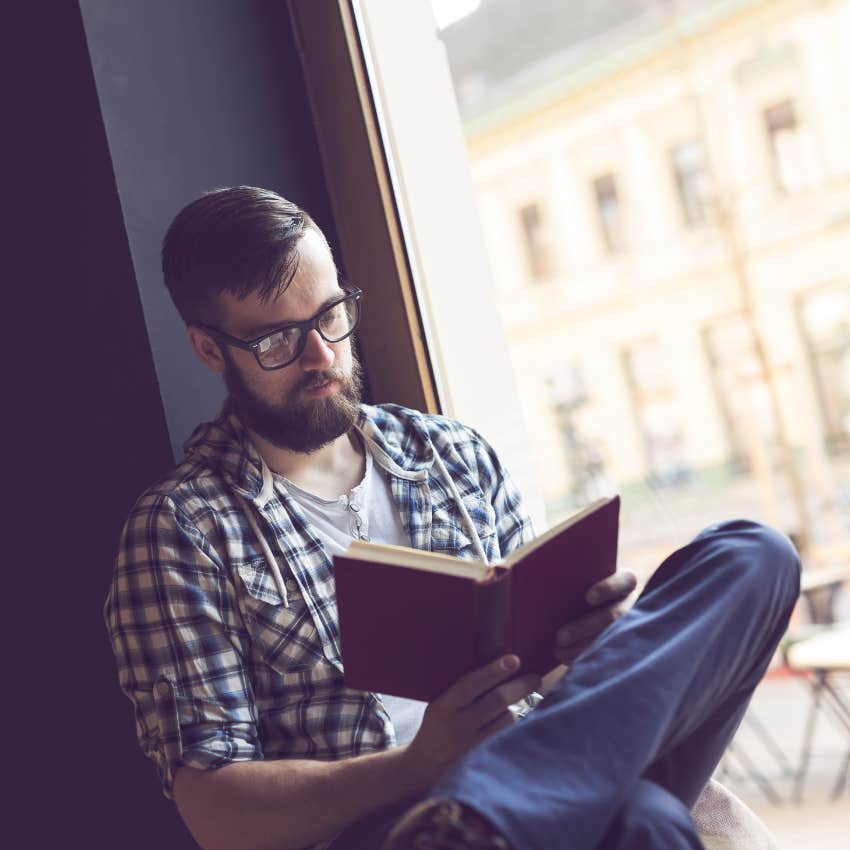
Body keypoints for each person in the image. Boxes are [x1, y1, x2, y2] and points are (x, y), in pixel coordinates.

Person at [106, 186, 800, 850]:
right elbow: (216, 815)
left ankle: (501, 803)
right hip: (383, 827)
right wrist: (421, 765)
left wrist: (592, 649)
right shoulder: (182, 531)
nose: (322, 356)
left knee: (753, 554)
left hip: (544, 771)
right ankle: (479, 812)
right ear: (208, 349)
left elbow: (546, 673)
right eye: (277, 342)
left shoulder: (450, 454)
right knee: (645, 823)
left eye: (329, 316)